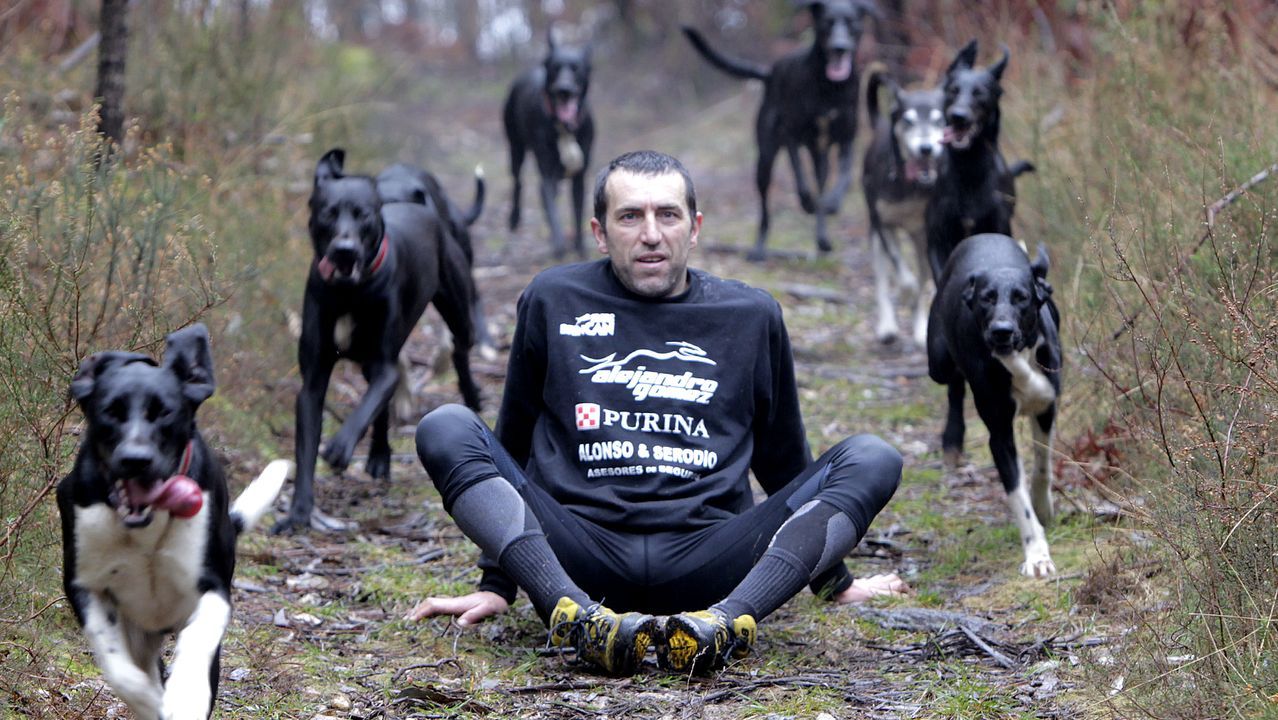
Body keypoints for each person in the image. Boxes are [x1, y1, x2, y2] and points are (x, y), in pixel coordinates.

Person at [408, 150, 908, 676]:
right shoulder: (553, 298)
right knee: (446, 426)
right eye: (630, 217)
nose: (651, 234)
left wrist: (835, 581)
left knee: (873, 457)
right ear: (600, 233)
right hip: (578, 553)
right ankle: (571, 616)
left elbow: (786, 462)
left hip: (712, 559)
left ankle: (724, 624)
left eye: (667, 215)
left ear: (693, 228)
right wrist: (498, 583)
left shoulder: (751, 315)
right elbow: (511, 446)